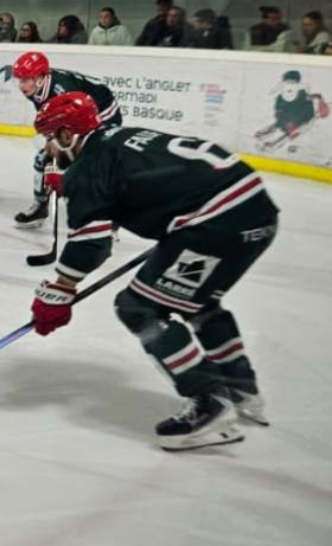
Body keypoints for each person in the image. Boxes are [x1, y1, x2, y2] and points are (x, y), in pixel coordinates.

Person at [28, 92, 278, 451]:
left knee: (138, 307)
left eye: (50, 137)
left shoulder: (88, 166)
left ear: (67, 134)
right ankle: (240, 387)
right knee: (196, 302)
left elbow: (92, 244)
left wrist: (59, 291)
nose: (48, 149)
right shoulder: (117, 137)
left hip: (217, 222)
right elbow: (133, 193)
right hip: (256, 210)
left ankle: (210, 400)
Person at [11, 51, 119, 228]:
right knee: (43, 158)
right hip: (77, 113)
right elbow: (51, 122)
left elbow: (75, 128)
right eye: (19, 80)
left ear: (40, 78)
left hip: (102, 112)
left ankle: (109, 215)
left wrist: (61, 160)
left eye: (25, 79)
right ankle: (40, 206)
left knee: (93, 160)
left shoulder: (62, 91)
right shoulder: (36, 88)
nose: (21, 85)